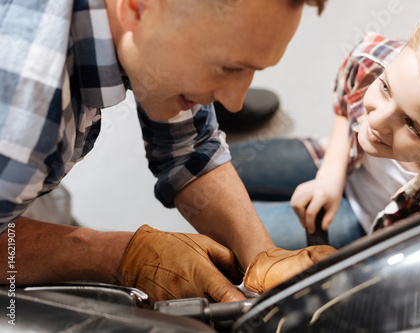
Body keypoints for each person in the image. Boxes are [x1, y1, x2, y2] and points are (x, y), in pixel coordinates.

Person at [0, 0, 336, 304]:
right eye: (229, 68)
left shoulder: (156, 25)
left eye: (251, 70)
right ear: (135, 9)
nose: (235, 101)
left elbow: (190, 150)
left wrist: (262, 256)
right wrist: (113, 254)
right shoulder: (25, 108)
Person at [230, 7, 420, 250]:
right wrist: (330, 174)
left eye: (411, 125)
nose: (377, 121)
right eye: (385, 88)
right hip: (333, 159)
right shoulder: (382, 60)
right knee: (220, 171)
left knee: (232, 235)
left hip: (366, 224)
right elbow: (346, 96)